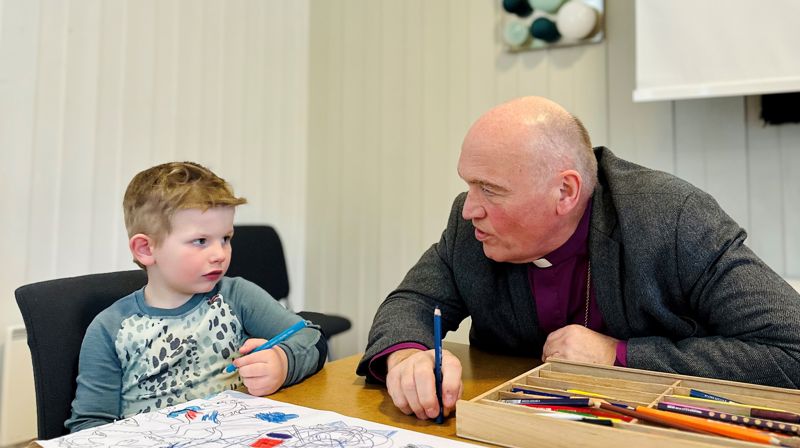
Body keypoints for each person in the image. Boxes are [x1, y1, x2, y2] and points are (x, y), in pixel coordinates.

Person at [356, 96, 800, 421]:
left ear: (565, 191)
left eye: (490, 189)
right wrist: (408, 357)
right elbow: (411, 302)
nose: (470, 207)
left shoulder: (671, 217)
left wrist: (620, 356)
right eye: (469, 184)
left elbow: (791, 350)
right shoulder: (470, 226)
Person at [67, 162, 327, 432]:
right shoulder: (111, 329)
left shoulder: (235, 296)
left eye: (225, 238)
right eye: (201, 241)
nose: (220, 254)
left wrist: (282, 363)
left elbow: (312, 338)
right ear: (146, 248)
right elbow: (89, 426)